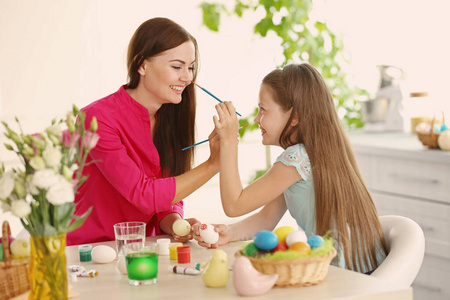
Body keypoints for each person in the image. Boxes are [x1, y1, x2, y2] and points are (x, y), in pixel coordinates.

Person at [194, 63, 387, 273]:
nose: (257, 119)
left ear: (294, 117)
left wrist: (229, 142)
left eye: (263, 110)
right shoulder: (316, 153)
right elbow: (266, 219)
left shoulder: (297, 158)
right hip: (366, 270)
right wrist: (229, 233)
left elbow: (234, 205)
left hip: (346, 274)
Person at [67, 17, 219, 246]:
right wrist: (214, 164)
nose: (188, 77)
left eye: (191, 67)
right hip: (85, 250)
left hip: (140, 250)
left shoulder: (167, 119)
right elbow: (144, 195)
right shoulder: (96, 119)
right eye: (177, 67)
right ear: (142, 65)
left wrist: (175, 223)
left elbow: (164, 198)